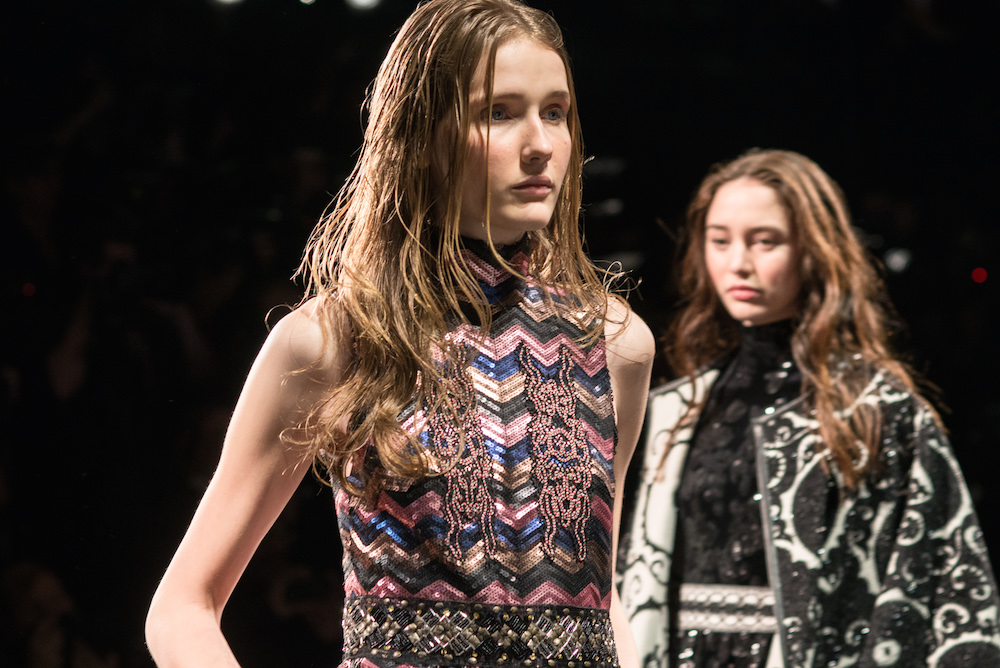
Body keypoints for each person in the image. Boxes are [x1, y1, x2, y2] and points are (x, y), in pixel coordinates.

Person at [144, 1, 654, 667]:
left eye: (555, 112)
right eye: (499, 112)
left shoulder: (616, 344)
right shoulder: (332, 341)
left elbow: (600, 596)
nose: (540, 144)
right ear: (422, 132)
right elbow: (183, 606)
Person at [618, 149, 1000, 668]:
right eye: (720, 240)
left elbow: (940, 575)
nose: (738, 263)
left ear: (814, 250)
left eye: (765, 241)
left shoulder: (876, 411)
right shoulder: (675, 411)